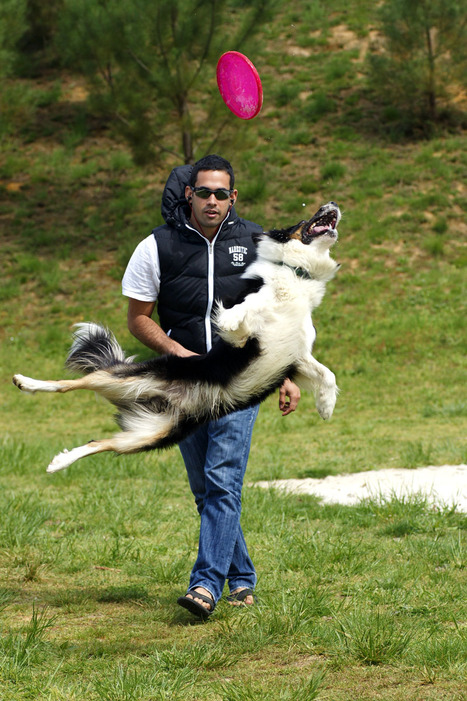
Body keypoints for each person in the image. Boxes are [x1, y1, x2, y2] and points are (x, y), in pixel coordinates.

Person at [122, 155, 300, 619]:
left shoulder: (258, 243)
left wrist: (287, 373)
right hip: (183, 385)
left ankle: (205, 585)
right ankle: (241, 577)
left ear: (233, 197)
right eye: (204, 192)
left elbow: (280, 317)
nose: (213, 201)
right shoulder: (155, 247)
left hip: (239, 380)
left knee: (222, 481)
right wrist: (177, 353)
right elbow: (138, 318)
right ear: (190, 195)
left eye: (222, 193)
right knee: (205, 489)